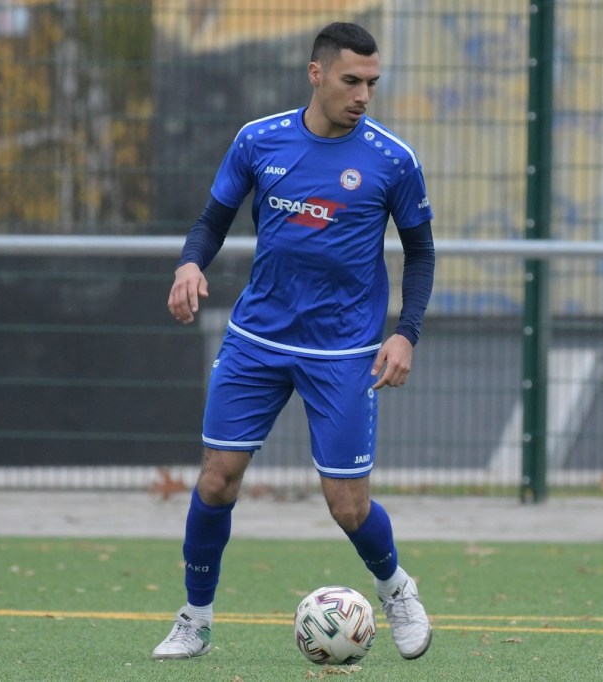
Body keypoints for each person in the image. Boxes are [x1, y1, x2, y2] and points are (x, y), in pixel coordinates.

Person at [152, 22, 436, 662]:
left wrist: (405, 334)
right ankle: (195, 619)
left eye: (372, 83)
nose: (363, 95)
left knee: (347, 506)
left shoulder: (393, 159)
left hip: (343, 353)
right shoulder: (259, 140)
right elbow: (211, 221)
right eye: (351, 81)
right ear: (316, 73)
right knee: (217, 480)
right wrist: (190, 264)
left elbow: (420, 254)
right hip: (257, 340)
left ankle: (397, 589)